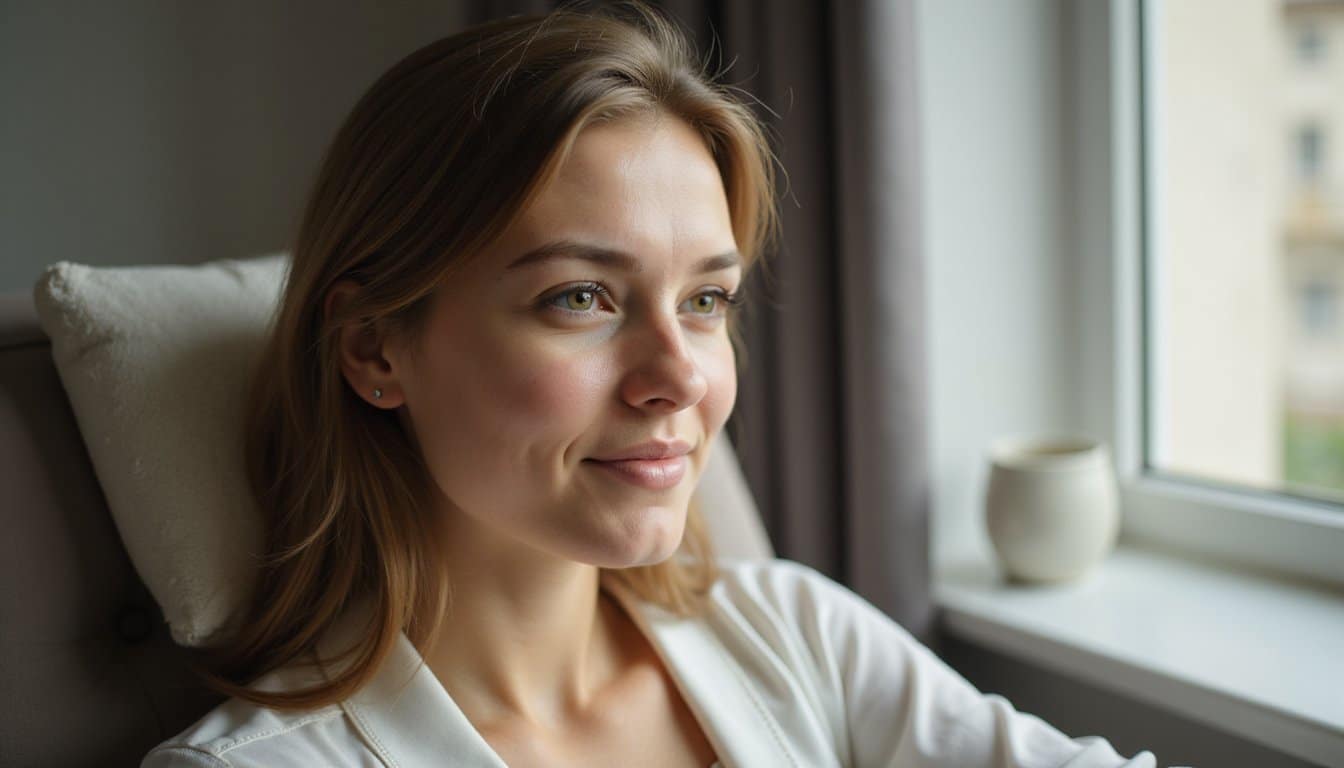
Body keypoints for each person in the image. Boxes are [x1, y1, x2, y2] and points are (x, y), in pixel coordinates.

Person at [142, 3, 1158, 766]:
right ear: (373, 351)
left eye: (707, 301)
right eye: (582, 298)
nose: (679, 378)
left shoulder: (798, 636)